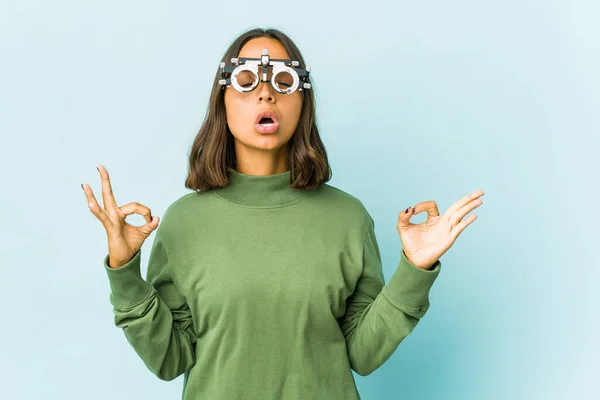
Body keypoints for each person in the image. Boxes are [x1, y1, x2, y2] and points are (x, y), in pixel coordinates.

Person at [82, 27, 484, 400]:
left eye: (282, 81)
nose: (265, 94)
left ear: (302, 99)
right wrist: (124, 270)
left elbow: (363, 354)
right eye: (245, 81)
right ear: (221, 101)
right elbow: (169, 359)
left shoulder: (348, 217)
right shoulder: (184, 222)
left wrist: (414, 270)